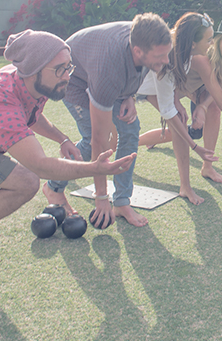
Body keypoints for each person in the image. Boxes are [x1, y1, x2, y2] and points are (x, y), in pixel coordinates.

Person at [0, 30, 136, 265]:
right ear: (33, 70)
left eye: (69, 67)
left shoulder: (33, 83)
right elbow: (40, 166)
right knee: (26, 181)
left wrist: (62, 138)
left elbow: (32, 115)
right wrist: (95, 168)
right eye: (60, 69)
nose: (67, 76)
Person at [44, 13, 172, 230]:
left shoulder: (143, 42)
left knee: (131, 130)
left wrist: (129, 96)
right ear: (138, 51)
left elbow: (137, 70)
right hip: (76, 82)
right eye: (161, 55)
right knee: (91, 139)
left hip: (104, 73)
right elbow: (100, 141)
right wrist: (101, 197)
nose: (167, 60)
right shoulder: (108, 69)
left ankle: (122, 202)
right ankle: (53, 186)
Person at [137, 14, 222, 192]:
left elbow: (217, 90)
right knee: (178, 127)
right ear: (216, 40)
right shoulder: (200, 55)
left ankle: (207, 167)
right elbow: (169, 78)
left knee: (213, 109)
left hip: (188, 89)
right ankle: (134, 144)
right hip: (164, 88)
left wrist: (202, 107)